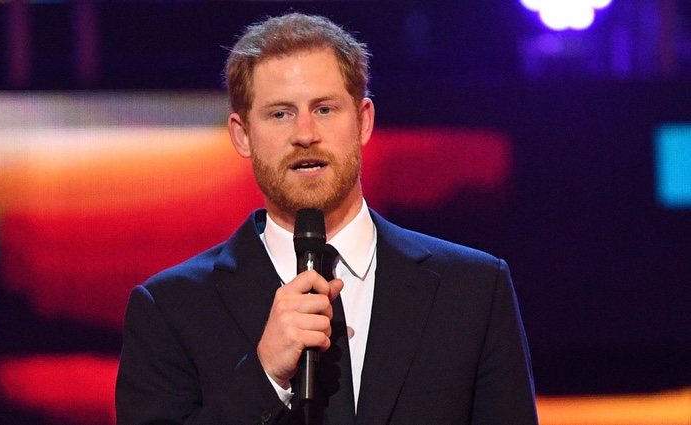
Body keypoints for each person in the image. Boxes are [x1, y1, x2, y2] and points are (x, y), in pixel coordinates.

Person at [115, 12, 538, 425]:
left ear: (364, 121)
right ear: (242, 135)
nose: (304, 134)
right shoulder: (170, 311)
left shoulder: (474, 290)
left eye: (324, 109)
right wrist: (264, 377)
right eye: (280, 113)